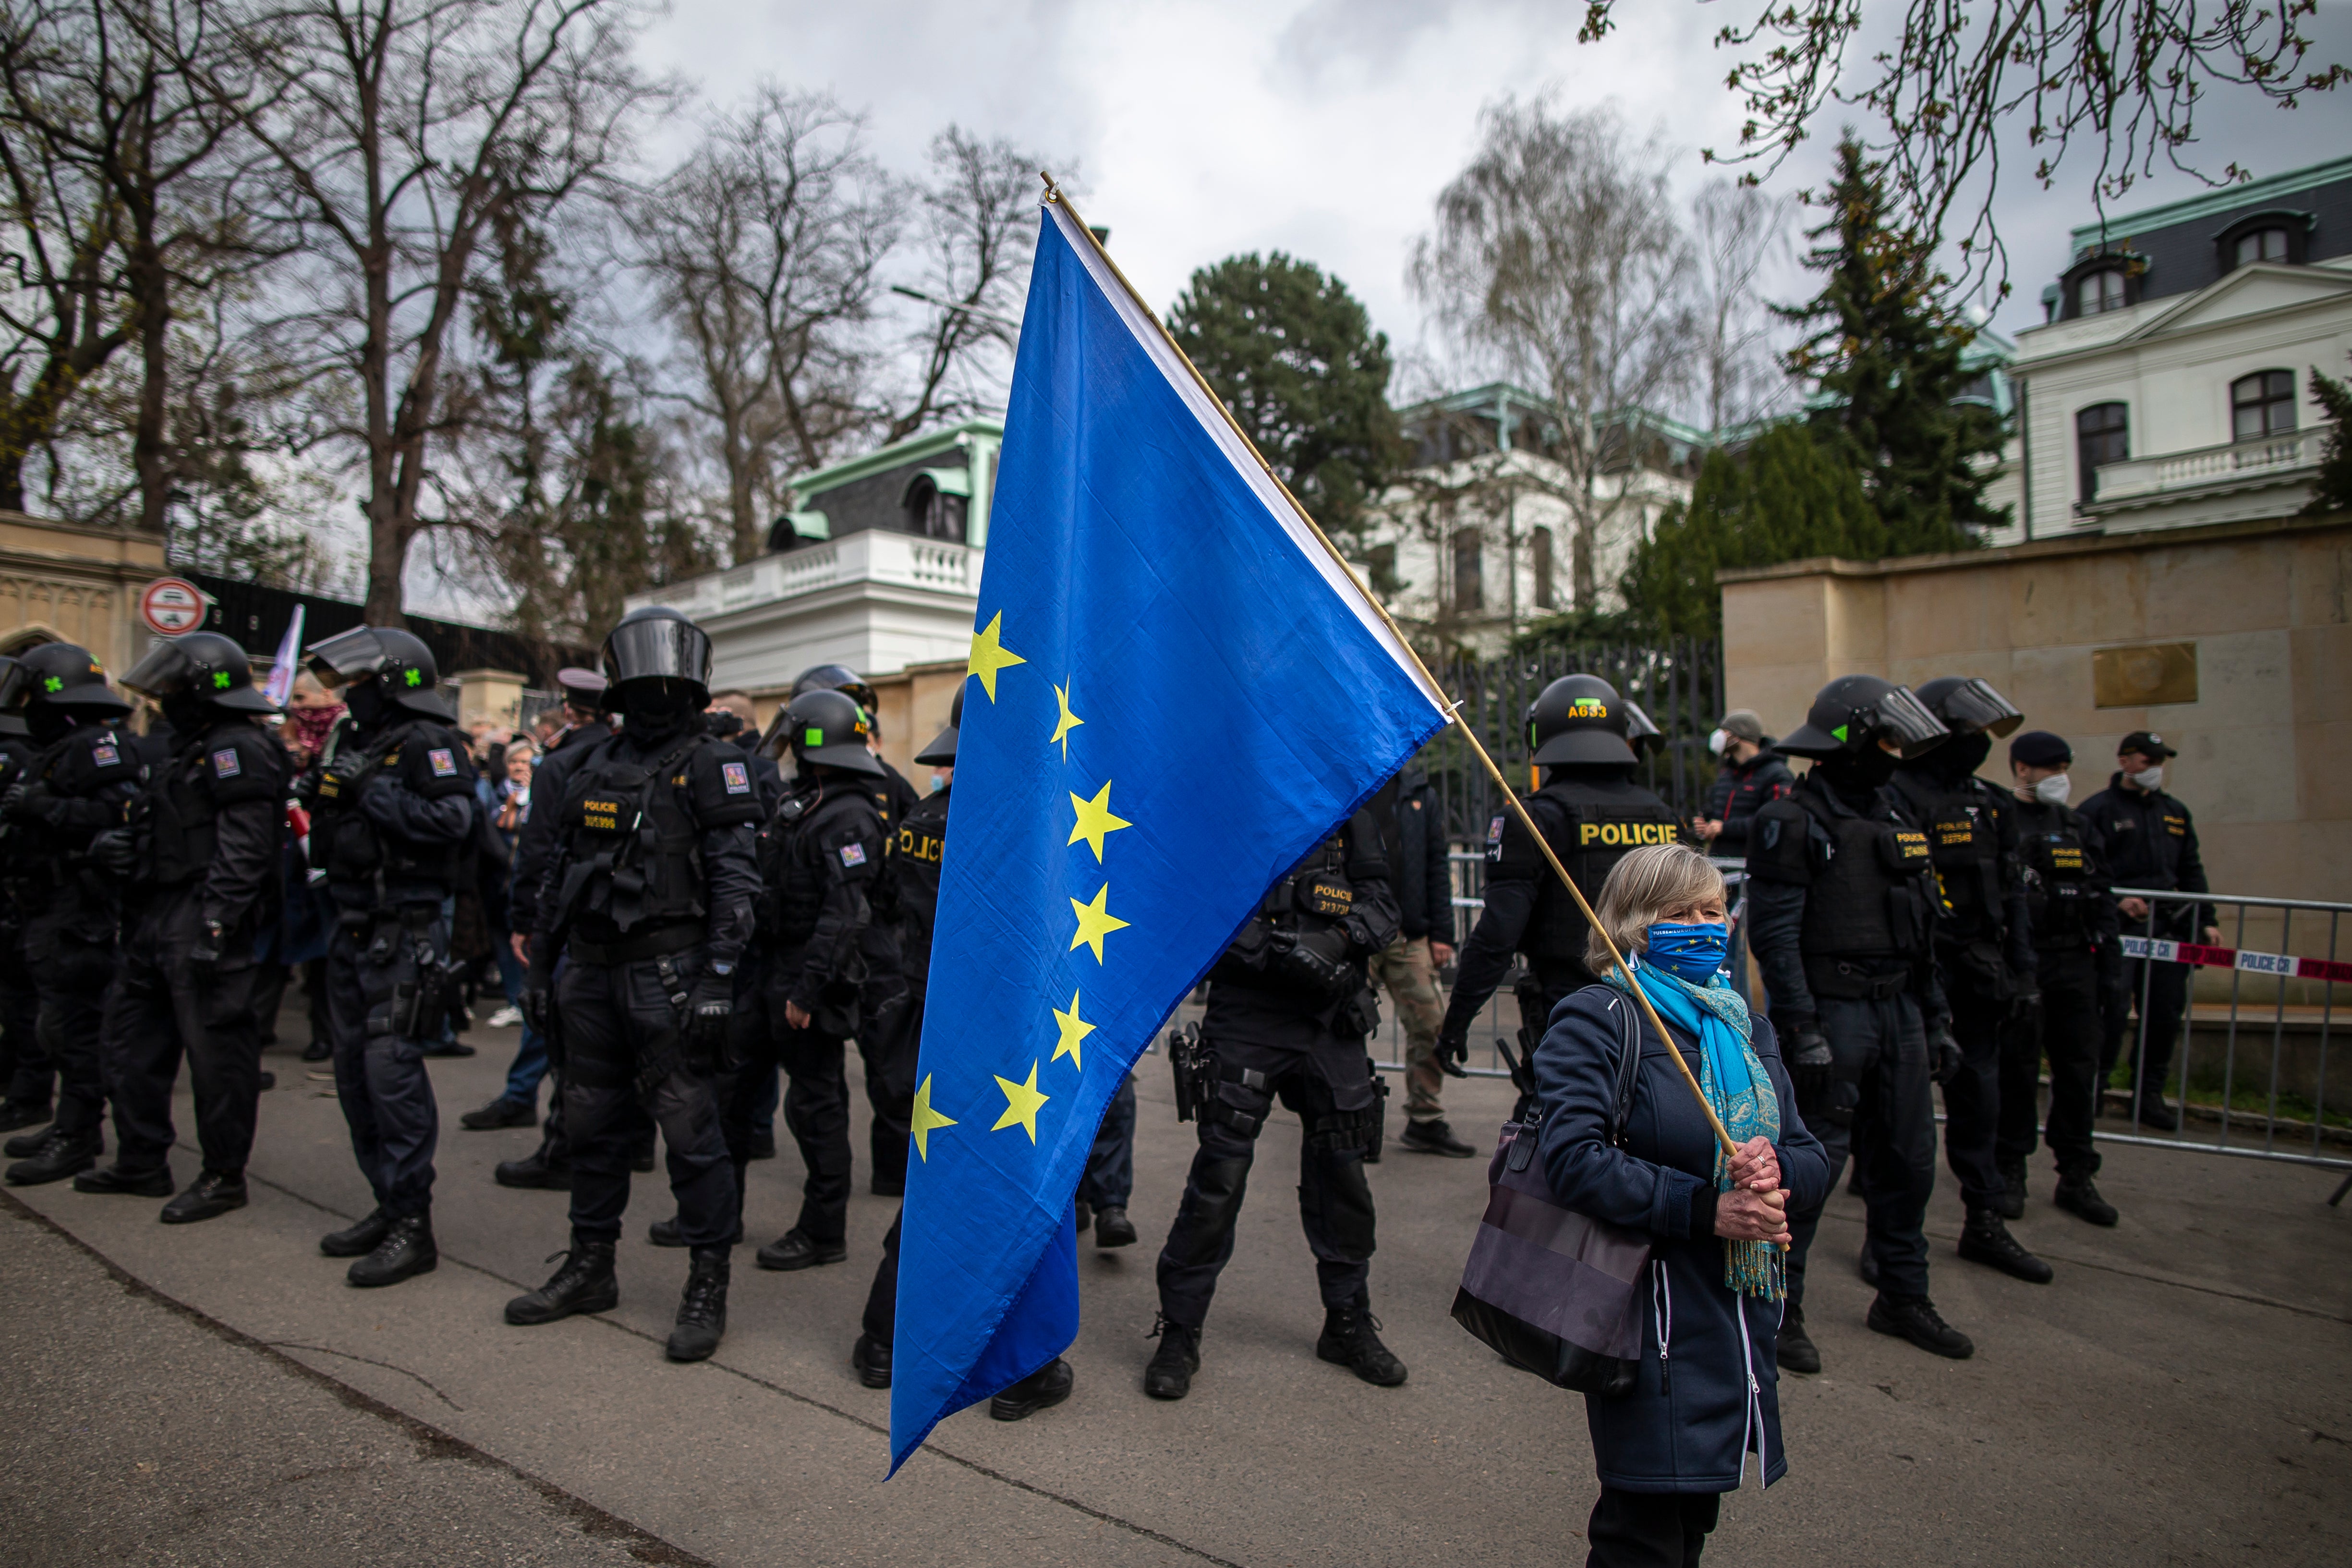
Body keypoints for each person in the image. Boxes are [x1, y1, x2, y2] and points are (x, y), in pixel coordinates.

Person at [1534, 842, 1829, 1568]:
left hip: (1738, 1310)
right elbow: (1570, 1160)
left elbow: (1810, 1151)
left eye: (1712, 909)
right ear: (1635, 922)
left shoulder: (1742, 1024)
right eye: (1679, 912)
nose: (1702, 924)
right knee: (1643, 1530)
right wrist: (1707, 1209)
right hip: (1651, 1315)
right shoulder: (1600, 1016)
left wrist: (1774, 1167)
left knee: (1692, 1516)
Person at [505, 607, 762, 1363]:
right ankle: (590, 1266)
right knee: (589, 1125)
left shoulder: (715, 765)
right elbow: (559, 871)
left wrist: (718, 979)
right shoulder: (588, 764)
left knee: (692, 1136)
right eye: (639, 685)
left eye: (664, 684)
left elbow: (737, 885)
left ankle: (706, 1284)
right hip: (589, 973)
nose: (653, 697)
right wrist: (544, 966)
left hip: (671, 976)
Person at [1746, 674, 1972, 1370]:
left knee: (1908, 1162)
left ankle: (1902, 1295)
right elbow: (1775, 936)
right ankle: (1781, 1308)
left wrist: (1934, 1019)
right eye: (1885, 737)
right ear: (1845, 742)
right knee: (1815, 1165)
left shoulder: (1898, 817)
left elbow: (1923, 931)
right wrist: (1801, 1027)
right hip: (1832, 1009)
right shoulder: (1791, 819)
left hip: (1898, 1007)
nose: (1896, 751)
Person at [1145, 801, 1406, 1401]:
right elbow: (1195, 902)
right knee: (1219, 1177)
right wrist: (1280, 953)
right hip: (1249, 1014)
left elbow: (1385, 903)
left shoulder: (1353, 804)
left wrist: (1339, 942)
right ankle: (1179, 1329)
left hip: (1330, 1014)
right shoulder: (1233, 793)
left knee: (1342, 1176)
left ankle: (1346, 1321)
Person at [76, 633, 289, 1221]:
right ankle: (141, 1160)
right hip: (155, 913)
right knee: (130, 1042)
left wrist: (217, 922)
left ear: (204, 690)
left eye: (174, 688)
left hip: (202, 912)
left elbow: (244, 848)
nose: (165, 699)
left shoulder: (238, 748)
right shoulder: (187, 749)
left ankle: (224, 1176)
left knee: (218, 1055)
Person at [298, 626, 479, 1287]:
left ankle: (413, 1225)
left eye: (361, 683)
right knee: (353, 1077)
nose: (351, 695)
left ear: (394, 681)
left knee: (390, 1076)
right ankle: (385, 1203)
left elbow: (456, 822)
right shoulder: (357, 739)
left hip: (402, 933)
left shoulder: (431, 743)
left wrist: (369, 791)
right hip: (349, 927)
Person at [1436, 675, 1679, 1082]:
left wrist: (1456, 1022)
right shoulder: (1663, 817)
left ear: (1541, 734)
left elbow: (1498, 935)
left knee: (1550, 1134)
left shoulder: (1531, 819)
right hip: (1661, 1014)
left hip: (1573, 1012)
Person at [1890, 677, 2051, 1285]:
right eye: (1969, 732)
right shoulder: (1895, 796)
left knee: (1979, 1097)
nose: (1979, 743)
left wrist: (2023, 969)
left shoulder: (1990, 802)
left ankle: (1983, 1217)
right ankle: (1892, 1235)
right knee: (1898, 1113)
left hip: (1981, 971)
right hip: (1915, 971)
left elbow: (2012, 890)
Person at [729, 687, 892, 1274]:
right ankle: (719, 1216)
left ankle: (823, 1232)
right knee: (734, 1093)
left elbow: (845, 913)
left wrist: (806, 991)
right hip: (767, 971)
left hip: (804, 980)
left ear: (812, 740)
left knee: (815, 1109)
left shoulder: (849, 814)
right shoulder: (806, 800)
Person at [0, 645, 141, 1185]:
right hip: (47, 906)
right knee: (53, 1022)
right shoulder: (59, 749)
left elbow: (119, 816)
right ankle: (68, 1121)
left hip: (78, 910)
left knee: (72, 1027)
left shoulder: (96, 747)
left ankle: (78, 1134)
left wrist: (44, 808)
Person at [778, 663, 916, 1195]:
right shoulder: (799, 792)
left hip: (876, 946)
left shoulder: (883, 784)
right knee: (817, 1078)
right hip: (821, 944)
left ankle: (894, 1176)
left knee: (889, 1071)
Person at [479, 669, 612, 1180]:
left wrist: (523, 921)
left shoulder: (561, 764)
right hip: (611, 921)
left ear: (570, 711)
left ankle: (562, 1153)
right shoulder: (624, 756)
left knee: (563, 1039)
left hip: (565, 923)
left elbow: (538, 854)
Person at [2005, 731, 2122, 1226]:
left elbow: (2100, 893)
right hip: (2025, 964)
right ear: (2021, 769)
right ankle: (2008, 1168)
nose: (2058, 775)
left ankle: (2076, 1172)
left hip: (2075, 963)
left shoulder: (2076, 825)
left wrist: (2110, 968)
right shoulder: (2004, 822)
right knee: (2017, 1071)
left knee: (2077, 1070)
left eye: (2063, 766)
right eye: (2048, 766)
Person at [2078, 731, 2218, 1131]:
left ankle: (2149, 1096)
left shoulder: (2174, 811)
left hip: (2169, 929)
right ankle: (2094, 1091)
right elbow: (2086, 870)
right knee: (2112, 1012)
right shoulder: (2097, 810)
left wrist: (2207, 919)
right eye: (2147, 760)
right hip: (2119, 930)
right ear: (2125, 761)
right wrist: (2115, 901)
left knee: (2164, 1015)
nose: (2155, 769)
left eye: (2159, 762)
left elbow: (2191, 869)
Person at [1367, 760, 1470, 1157]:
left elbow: (1436, 862)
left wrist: (1442, 934)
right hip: (1354, 931)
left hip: (1408, 932)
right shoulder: (1349, 780)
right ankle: (1344, 1114)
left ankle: (1424, 1118)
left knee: (1431, 1025)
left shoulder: (1419, 792)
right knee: (1341, 1026)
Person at [0, 664, 50, 1133]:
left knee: (25, 1001)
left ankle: (30, 1092)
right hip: (24, 892)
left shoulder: (15, 753)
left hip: (32, 896)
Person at [1690, 709, 1796, 856]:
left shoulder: (1776, 775)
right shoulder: (1726, 773)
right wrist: (1705, 824)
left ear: (1738, 736)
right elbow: (1715, 809)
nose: (1719, 736)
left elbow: (1775, 821)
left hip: (1753, 865)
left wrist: (1724, 828)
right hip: (1721, 864)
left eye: (1725, 731)